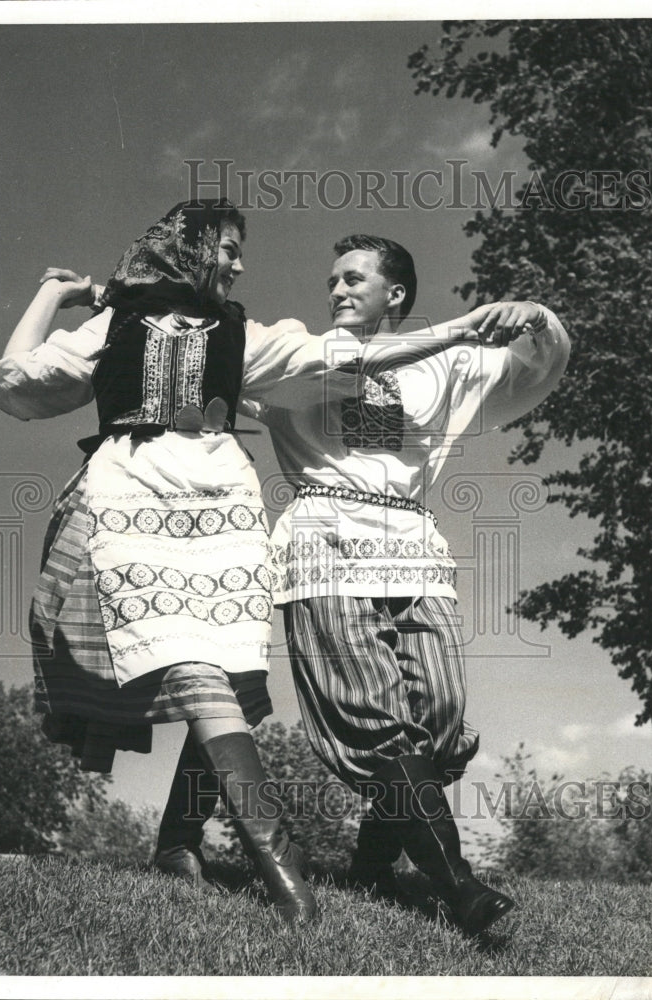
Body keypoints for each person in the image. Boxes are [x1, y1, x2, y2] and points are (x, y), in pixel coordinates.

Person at [0, 202, 470, 922]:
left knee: (239, 679)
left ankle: (180, 841)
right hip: (131, 495)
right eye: (231, 249)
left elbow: (353, 356)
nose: (242, 264)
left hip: (227, 506)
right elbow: (15, 385)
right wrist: (51, 296)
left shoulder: (250, 334)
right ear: (190, 249)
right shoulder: (112, 326)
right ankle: (293, 878)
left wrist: (467, 326)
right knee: (198, 672)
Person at [251, 234, 571, 934]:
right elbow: (247, 379)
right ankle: (460, 889)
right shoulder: (301, 354)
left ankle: (372, 867)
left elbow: (540, 362)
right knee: (372, 715)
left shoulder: (451, 365)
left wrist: (533, 316)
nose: (335, 290)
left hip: (414, 545)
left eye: (353, 279)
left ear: (395, 293)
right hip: (325, 540)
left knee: (442, 721)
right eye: (331, 279)